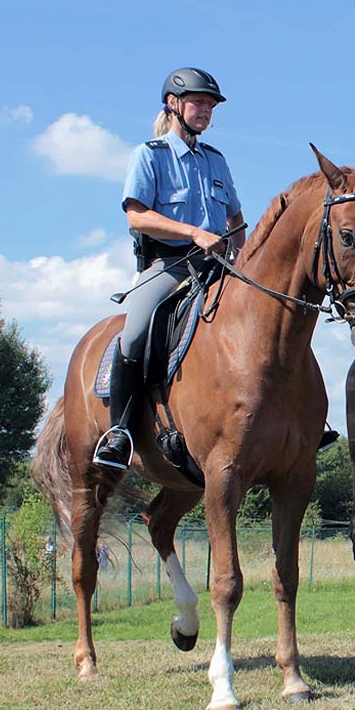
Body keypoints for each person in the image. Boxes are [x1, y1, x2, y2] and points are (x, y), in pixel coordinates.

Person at [93, 67, 245, 469]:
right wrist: (194, 233)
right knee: (136, 331)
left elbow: (235, 218)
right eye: (198, 103)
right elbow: (136, 216)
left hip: (217, 266)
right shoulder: (150, 154)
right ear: (173, 105)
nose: (206, 111)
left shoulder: (216, 160)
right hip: (170, 265)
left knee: (273, 316)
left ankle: (303, 420)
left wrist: (243, 259)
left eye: (210, 105)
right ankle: (120, 431)